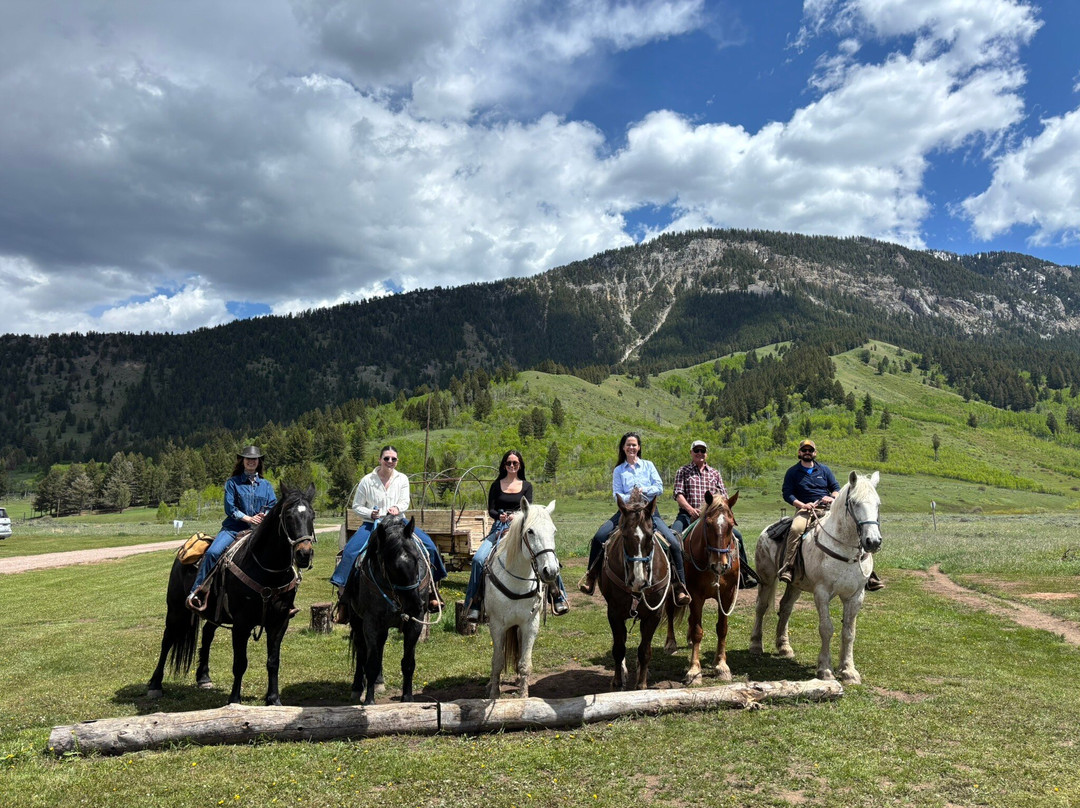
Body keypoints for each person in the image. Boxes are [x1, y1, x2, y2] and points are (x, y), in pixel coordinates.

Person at [330, 445, 447, 614]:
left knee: (429, 546)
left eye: (393, 459)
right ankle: (344, 598)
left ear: (397, 461)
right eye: (386, 458)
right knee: (350, 552)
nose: (390, 461)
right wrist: (370, 513)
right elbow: (356, 505)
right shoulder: (367, 480)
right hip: (373, 524)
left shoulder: (402, 479)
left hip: (398, 523)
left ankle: (432, 591)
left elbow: (404, 501)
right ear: (380, 460)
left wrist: (397, 508)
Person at [579, 432, 691, 606]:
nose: (631, 447)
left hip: (649, 513)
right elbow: (617, 494)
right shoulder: (619, 470)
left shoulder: (648, 465)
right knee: (599, 537)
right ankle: (591, 577)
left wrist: (643, 490)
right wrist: (631, 496)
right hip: (626, 513)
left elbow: (659, 487)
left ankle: (680, 586)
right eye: (628, 445)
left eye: (634, 445)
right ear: (623, 448)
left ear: (639, 447)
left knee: (674, 544)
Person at [465, 450, 570, 622]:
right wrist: (499, 516)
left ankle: (558, 596)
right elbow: (491, 509)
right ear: (504, 465)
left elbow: (528, 510)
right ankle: (474, 603)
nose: (512, 466)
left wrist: (516, 516)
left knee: (548, 557)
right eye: (509, 463)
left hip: (521, 527)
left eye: (515, 463)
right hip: (499, 527)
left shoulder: (527, 486)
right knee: (478, 560)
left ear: (520, 465)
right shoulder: (496, 485)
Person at [780, 439, 884, 591]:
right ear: (799, 453)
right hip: (806, 510)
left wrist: (832, 497)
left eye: (810, 450)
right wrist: (802, 505)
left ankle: (868, 574)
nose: (807, 452)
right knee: (796, 529)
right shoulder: (792, 472)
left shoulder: (824, 470)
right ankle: (789, 566)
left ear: (815, 453)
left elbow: (835, 488)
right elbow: (787, 493)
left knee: (854, 527)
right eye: (804, 450)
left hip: (828, 508)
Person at [187, 445, 278, 611]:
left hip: (259, 531)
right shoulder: (232, 483)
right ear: (242, 461)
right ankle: (197, 591)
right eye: (248, 459)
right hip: (233, 528)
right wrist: (248, 518)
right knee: (213, 553)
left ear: (259, 462)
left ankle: (283, 596)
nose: (251, 461)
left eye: (254, 459)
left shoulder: (266, 485)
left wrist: (264, 515)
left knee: (279, 553)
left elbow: (272, 505)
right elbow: (230, 508)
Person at [671, 439, 758, 589]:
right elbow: (678, 494)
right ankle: (674, 577)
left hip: (711, 517)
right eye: (696, 450)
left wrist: (717, 511)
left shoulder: (714, 473)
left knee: (738, 537)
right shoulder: (683, 471)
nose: (700, 453)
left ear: (706, 454)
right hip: (688, 515)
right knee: (673, 537)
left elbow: (724, 496)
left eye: (702, 451)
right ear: (691, 453)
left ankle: (743, 575)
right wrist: (690, 510)